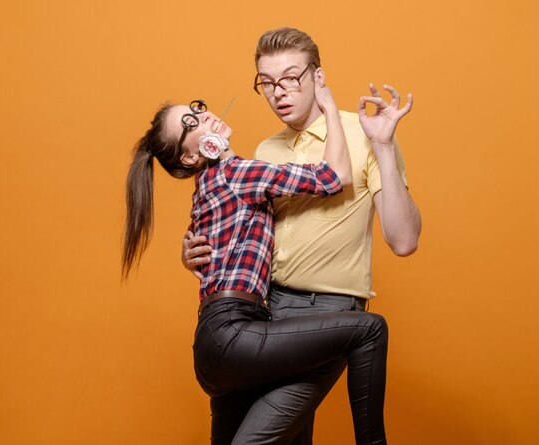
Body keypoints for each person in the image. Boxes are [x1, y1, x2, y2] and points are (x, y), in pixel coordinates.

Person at [123, 75, 409, 443]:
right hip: (235, 333)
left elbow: (217, 251)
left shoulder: (208, 189)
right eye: (190, 124)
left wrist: (187, 257)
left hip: (216, 345)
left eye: (197, 110)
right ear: (191, 156)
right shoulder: (236, 172)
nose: (205, 116)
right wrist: (330, 110)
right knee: (370, 329)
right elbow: (332, 176)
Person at [182, 27, 421, 444]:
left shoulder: (364, 132)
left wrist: (383, 146)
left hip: (326, 314)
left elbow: (403, 241)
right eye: (268, 83)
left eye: (291, 78)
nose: (279, 92)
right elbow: (241, 239)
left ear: (318, 77)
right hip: (262, 317)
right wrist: (196, 255)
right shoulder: (264, 151)